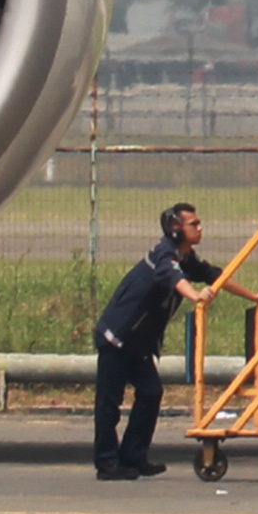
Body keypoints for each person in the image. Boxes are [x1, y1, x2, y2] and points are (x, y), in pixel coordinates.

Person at [93, 202, 224, 481]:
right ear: (177, 230)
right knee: (109, 403)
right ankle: (107, 463)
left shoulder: (186, 257)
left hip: (139, 345)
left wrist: (256, 296)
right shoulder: (164, 255)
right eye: (194, 224)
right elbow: (174, 278)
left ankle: (133, 457)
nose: (200, 228)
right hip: (117, 338)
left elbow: (215, 275)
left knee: (151, 393)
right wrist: (196, 296)